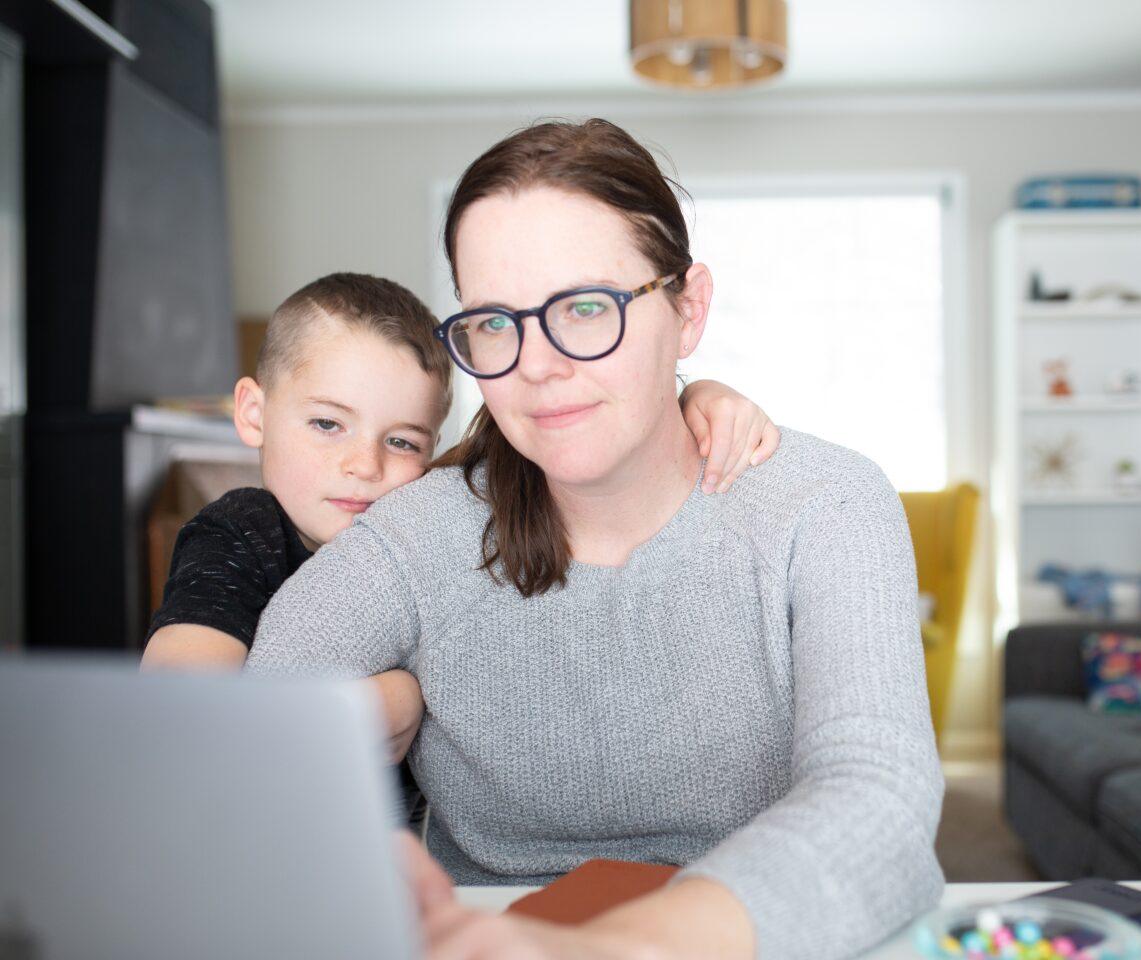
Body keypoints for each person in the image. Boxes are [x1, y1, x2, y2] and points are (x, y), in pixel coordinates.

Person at [246, 119, 942, 960]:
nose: (537, 366)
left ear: (688, 311)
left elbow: (881, 797)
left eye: (586, 308)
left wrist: (627, 948)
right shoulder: (420, 531)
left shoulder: (825, 504)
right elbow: (253, 730)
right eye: (496, 323)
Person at [141, 271, 780, 763]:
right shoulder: (241, 532)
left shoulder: (429, 522)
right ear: (253, 414)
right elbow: (180, 712)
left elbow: (540, 455)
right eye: (327, 424)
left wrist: (700, 397)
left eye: (402, 442)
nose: (363, 465)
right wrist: (392, 700)